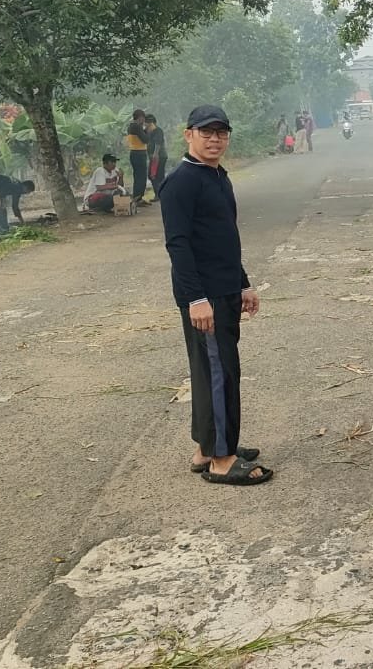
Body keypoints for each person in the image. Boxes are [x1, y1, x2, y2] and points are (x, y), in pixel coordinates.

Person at [161, 105, 270, 486]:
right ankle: (222, 460)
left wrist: (242, 283)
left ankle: (207, 448)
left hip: (224, 290)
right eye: (206, 132)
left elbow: (225, 238)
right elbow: (178, 244)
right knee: (218, 374)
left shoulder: (218, 176)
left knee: (212, 372)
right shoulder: (182, 181)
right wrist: (196, 299)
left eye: (221, 132)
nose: (214, 139)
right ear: (188, 134)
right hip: (204, 297)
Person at [125, 109, 151, 202]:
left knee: (137, 176)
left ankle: (137, 197)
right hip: (139, 154)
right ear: (140, 118)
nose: (144, 121)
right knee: (142, 176)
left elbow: (139, 136)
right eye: (143, 119)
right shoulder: (137, 126)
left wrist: (144, 130)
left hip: (134, 153)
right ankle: (138, 197)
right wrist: (147, 130)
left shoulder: (131, 126)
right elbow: (145, 139)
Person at [146, 114, 168, 199]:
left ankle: (159, 194)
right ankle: (159, 194)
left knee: (155, 175)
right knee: (155, 176)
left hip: (159, 156)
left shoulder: (158, 130)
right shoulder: (149, 131)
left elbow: (158, 143)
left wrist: (155, 154)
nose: (146, 125)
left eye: (147, 123)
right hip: (154, 157)